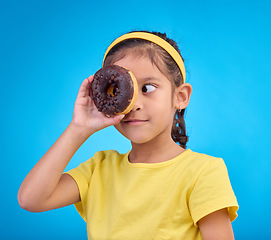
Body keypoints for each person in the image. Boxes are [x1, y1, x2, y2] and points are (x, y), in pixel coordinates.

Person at [18, 31, 239, 239]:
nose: (134, 104)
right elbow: (31, 199)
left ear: (180, 96)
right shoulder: (99, 169)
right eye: (118, 90)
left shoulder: (202, 172)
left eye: (148, 88)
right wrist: (79, 128)